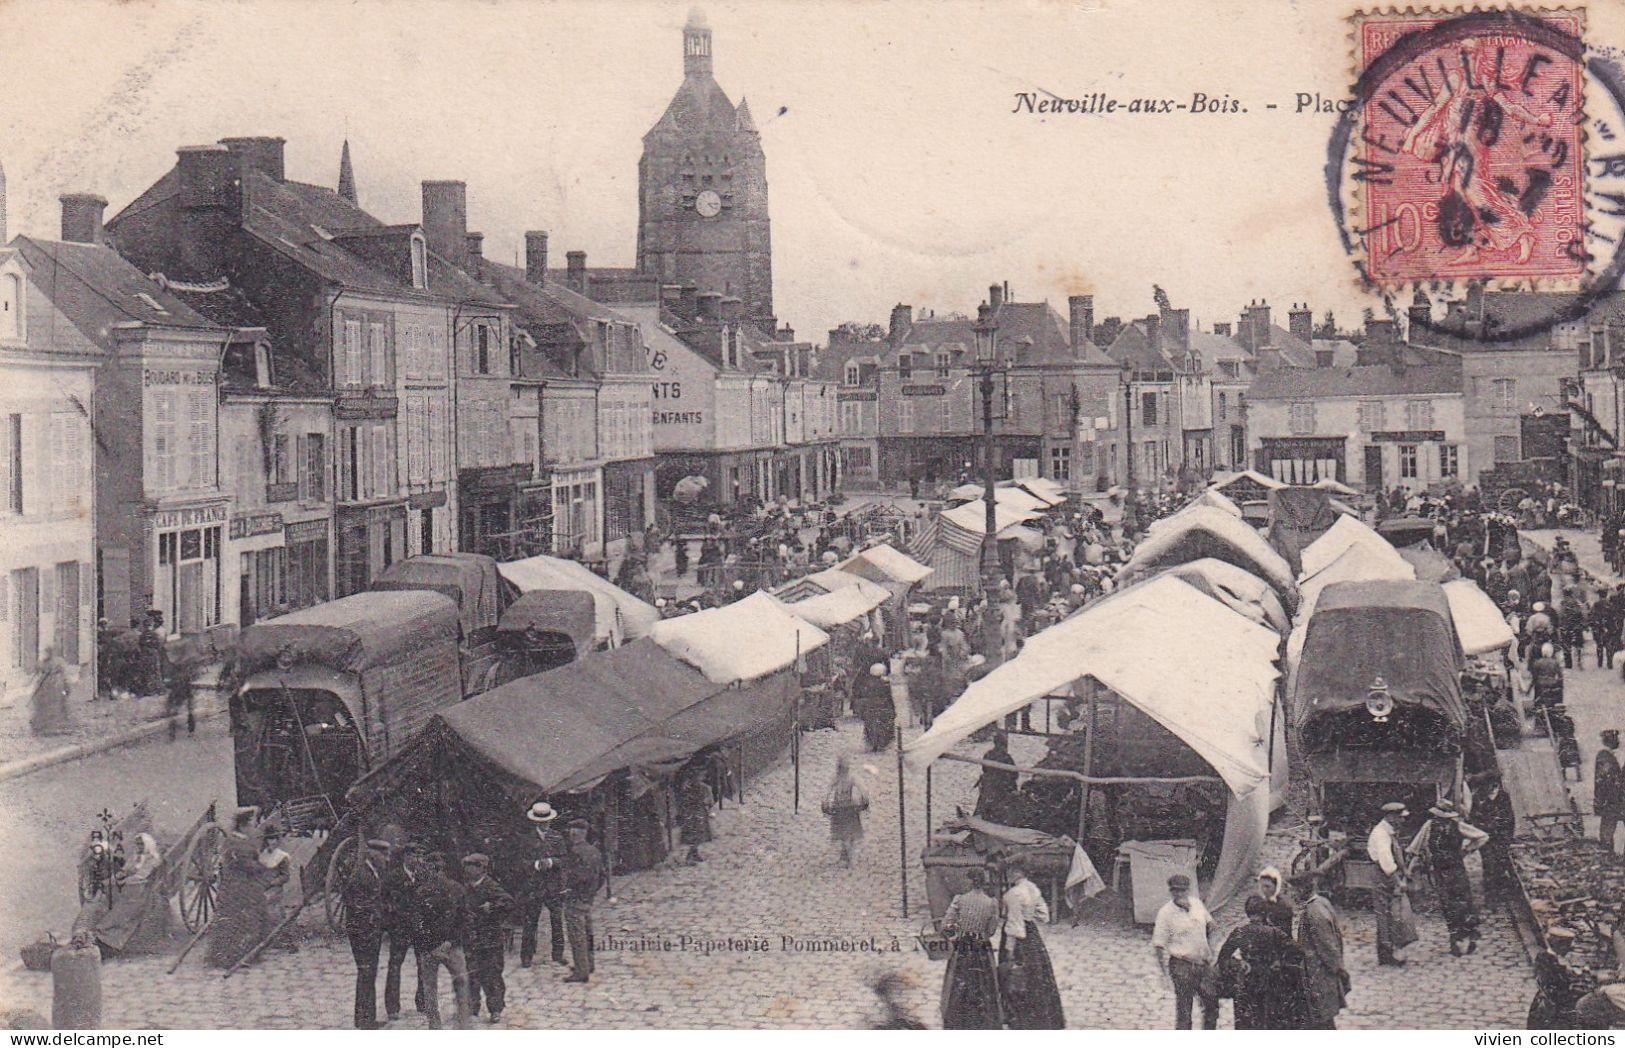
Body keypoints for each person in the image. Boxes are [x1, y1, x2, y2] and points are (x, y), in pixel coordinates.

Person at [1408, 799, 1488, 956]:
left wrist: (1467, 849)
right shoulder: (1429, 826)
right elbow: (1415, 848)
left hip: (1456, 869)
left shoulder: (1457, 825)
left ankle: (1470, 935)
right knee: (1448, 904)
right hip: (1440, 871)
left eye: (1443, 818)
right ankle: (1455, 940)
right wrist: (1409, 869)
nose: (1440, 821)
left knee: (1463, 902)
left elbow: (1482, 836)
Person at [1216, 895, 1307, 1030]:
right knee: (1268, 1022)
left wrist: (1239, 963)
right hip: (1271, 983)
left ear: (1247, 912)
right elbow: (1298, 952)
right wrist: (1280, 962)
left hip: (1246, 983)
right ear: (1265, 912)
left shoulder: (1240, 932)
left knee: (1246, 1024)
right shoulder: (1274, 933)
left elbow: (1223, 958)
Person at [999, 859, 1064, 1029]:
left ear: (1017, 872)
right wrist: (1030, 920)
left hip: (1017, 939)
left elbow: (1015, 925)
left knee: (1014, 975)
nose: (1008, 874)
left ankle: (1017, 1016)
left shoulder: (1013, 894)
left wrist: (1009, 950)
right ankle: (1039, 1015)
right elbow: (1043, 915)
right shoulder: (1033, 888)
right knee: (1036, 975)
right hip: (1032, 936)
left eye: (1011, 870)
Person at [410, 852, 470, 1029]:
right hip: (447, 947)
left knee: (431, 989)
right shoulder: (456, 889)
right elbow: (464, 920)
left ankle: (436, 1026)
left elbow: (417, 924)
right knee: (460, 985)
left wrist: (435, 945)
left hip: (436, 948)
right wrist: (448, 943)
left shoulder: (422, 892)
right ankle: (462, 1025)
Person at [205, 807, 270, 969]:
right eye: (251, 824)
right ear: (243, 825)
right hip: (242, 888)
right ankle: (238, 956)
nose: (253, 828)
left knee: (227, 920)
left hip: (230, 887)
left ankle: (223, 955)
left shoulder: (231, 840)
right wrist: (262, 866)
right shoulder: (240, 844)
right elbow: (247, 865)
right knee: (248, 919)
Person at [1152, 873, 1218, 1030]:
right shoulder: (1165, 913)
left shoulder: (1197, 904)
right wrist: (1164, 974)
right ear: (1171, 892)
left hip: (1203, 964)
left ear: (1188, 890)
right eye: (1175, 891)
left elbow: (1211, 924)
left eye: (1182, 890)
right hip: (1181, 966)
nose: (1179, 894)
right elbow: (1159, 944)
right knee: (1184, 1012)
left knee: (1212, 1006)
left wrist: (1211, 949)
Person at [938, 867, 1002, 1029]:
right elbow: (992, 931)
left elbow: (945, 924)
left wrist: (956, 932)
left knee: (960, 980)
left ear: (969, 881)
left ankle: (959, 1017)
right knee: (984, 982)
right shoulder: (991, 903)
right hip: (982, 947)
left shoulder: (959, 900)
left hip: (963, 946)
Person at [342, 839, 392, 1029]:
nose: (386, 859)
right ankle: (365, 1021)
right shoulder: (362, 875)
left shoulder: (370, 872)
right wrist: (376, 915)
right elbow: (355, 903)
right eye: (384, 855)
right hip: (363, 932)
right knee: (366, 973)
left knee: (368, 974)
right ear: (373, 854)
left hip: (369, 931)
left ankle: (365, 1018)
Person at [515, 801, 569, 969]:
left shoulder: (557, 837)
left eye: (547, 820)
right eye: (542, 821)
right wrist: (537, 864)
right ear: (536, 822)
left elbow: (565, 860)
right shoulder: (526, 840)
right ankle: (527, 956)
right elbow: (520, 864)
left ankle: (558, 954)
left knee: (557, 920)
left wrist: (552, 862)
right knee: (530, 921)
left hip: (553, 886)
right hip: (534, 886)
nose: (545, 823)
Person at [1292, 872, 1349, 1029]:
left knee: (1320, 1019)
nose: (1293, 894)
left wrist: (1338, 968)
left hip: (1318, 973)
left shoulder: (1314, 912)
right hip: (1319, 972)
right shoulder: (1321, 903)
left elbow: (1327, 945)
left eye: (1295, 891)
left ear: (1304, 889)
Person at [461, 853, 512, 1024]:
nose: (468, 869)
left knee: (492, 975)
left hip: (490, 940)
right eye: (467, 865)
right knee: (472, 974)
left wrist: (493, 906)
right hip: (472, 939)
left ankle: (495, 1009)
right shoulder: (466, 887)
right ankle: (472, 1007)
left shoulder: (491, 886)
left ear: (482, 868)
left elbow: (509, 902)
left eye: (472, 865)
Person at [1367, 802, 1416, 966]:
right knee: (1386, 914)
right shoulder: (1381, 835)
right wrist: (1398, 880)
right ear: (1391, 817)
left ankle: (1388, 951)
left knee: (1393, 914)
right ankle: (1388, 953)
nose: (1402, 821)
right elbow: (1386, 861)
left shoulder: (1390, 832)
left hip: (1387, 874)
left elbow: (1397, 854)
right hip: (1383, 876)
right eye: (1400, 818)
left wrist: (1404, 870)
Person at [561, 817, 603, 983]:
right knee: (588, 933)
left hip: (575, 898)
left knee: (577, 935)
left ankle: (581, 970)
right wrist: (592, 892)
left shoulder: (575, 853)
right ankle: (589, 963)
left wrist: (567, 889)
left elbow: (576, 876)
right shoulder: (594, 851)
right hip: (588, 898)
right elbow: (602, 876)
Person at [1472, 774, 1519, 900]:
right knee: (1488, 865)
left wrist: (1506, 836)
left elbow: (1509, 819)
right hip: (1485, 838)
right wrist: (1483, 827)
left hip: (1501, 837)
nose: (1485, 788)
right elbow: (1474, 818)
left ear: (1494, 785)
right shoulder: (1478, 797)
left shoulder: (1503, 797)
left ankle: (1503, 892)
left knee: (1501, 864)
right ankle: (1491, 896)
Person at [822, 755, 869, 867]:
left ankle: (846, 853)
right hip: (848, 807)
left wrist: (825, 801)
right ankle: (847, 853)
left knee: (845, 831)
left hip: (842, 807)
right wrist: (864, 798)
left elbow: (827, 791)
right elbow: (862, 788)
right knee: (848, 831)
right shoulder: (848, 778)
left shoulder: (839, 778)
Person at [257, 823, 295, 951]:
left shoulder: (282, 856)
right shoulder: (263, 854)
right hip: (263, 886)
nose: (271, 842)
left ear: (278, 840)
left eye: (274, 839)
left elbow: (285, 876)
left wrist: (273, 882)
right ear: (266, 840)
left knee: (271, 907)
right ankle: (263, 937)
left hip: (275, 888)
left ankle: (280, 938)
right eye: (269, 839)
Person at [974, 732, 1019, 825]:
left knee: (984, 801)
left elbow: (984, 768)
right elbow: (1015, 774)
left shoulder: (988, 754)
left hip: (989, 784)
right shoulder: (1006, 757)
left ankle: (980, 817)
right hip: (1002, 785)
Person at [855, 663, 896, 752]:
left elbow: (862, 695)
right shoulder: (885, 683)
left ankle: (872, 742)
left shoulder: (866, 683)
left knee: (870, 724)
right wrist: (893, 708)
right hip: (883, 706)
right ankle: (882, 743)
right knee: (884, 724)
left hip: (870, 706)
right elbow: (889, 697)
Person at [677, 765, 714, 864]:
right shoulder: (692, 788)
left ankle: (694, 853)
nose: (701, 778)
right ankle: (690, 856)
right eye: (699, 776)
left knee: (698, 835)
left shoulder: (703, 787)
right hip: (693, 814)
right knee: (694, 834)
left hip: (698, 813)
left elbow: (709, 801)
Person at [1597, 730, 1624, 853]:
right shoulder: (1606, 757)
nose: (1618, 741)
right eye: (1616, 738)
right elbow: (1607, 781)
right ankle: (1607, 854)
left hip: (1614, 800)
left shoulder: (1607, 756)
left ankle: (1608, 854)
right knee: (1607, 829)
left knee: (1607, 828)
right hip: (1612, 800)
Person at [1254, 867, 1293, 933]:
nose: (1264, 890)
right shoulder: (1259, 903)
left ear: (1276, 887)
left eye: (1267, 886)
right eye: (1262, 886)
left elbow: (1283, 932)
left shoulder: (1283, 906)